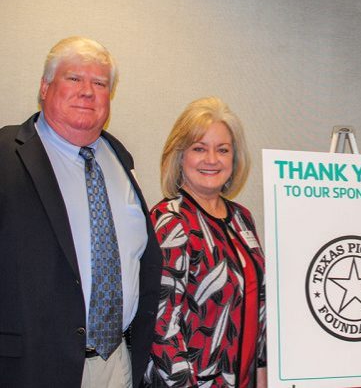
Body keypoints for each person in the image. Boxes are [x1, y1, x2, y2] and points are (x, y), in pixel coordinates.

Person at [0, 36, 162, 387]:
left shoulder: (119, 157)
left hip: (116, 363)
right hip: (32, 367)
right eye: (74, 78)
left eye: (100, 83)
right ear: (45, 87)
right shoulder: (5, 155)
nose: (88, 91)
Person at [144, 97, 267, 387]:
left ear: (234, 158)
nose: (212, 159)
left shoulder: (242, 218)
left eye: (222, 150)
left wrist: (262, 376)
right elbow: (161, 329)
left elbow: (258, 310)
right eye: (199, 148)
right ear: (180, 155)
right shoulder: (170, 222)